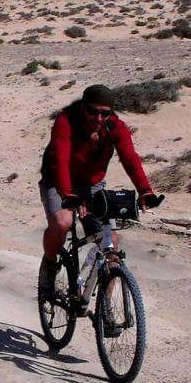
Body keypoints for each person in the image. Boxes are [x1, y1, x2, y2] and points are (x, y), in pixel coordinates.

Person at [38, 84, 158, 294]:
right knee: (62, 222)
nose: (98, 118)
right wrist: (68, 194)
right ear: (82, 107)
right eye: (92, 111)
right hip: (58, 180)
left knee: (110, 243)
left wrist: (145, 190)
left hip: (92, 184)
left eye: (104, 113)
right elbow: (60, 159)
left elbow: (130, 158)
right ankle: (49, 265)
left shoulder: (115, 127)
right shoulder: (66, 121)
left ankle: (106, 309)